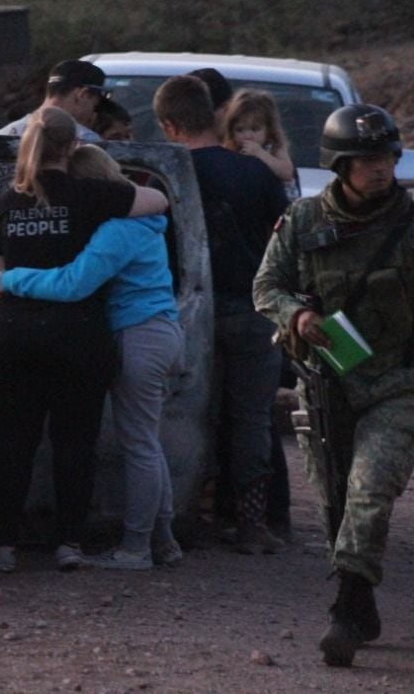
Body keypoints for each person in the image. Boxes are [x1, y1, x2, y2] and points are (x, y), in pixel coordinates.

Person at [253, 103, 413, 668]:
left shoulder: (409, 221)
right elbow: (266, 287)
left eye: (386, 157)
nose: (380, 168)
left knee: (370, 490)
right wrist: (297, 315)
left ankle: (345, 609)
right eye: (366, 160)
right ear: (340, 166)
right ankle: (360, 598)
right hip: (326, 382)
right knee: (335, 502)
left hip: (398, 382)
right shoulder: (303, 220)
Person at [0, 108, 168, 573]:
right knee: (75, 443)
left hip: (12, 331)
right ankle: (69, 542)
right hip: (76, 333)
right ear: (71, 147)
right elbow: (159, 200)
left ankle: (2, 545)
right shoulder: (91, 194)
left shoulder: (7, 201)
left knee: (11, 441)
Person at [155, 74, 288, 554]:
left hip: (188, 314)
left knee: (191, 416)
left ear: (169, 125)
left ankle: (187, 517)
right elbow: (283, 241)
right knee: (251, 418)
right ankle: (251, 523)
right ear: (215, 116)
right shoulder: (256, 172)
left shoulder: (165, 178)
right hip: (254, 311)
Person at [0, 60, 110, 140]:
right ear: (83, 95)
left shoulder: (2, 135)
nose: (94, 112)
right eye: (95, 103)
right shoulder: (85, 140)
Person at [220, 88, 297, 194]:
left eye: (255, 129)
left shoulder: (274, 147)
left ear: (269, 129)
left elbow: (287, 173)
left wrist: (260, 153)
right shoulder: (232, 150)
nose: (247, 136)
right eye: (240, 130)